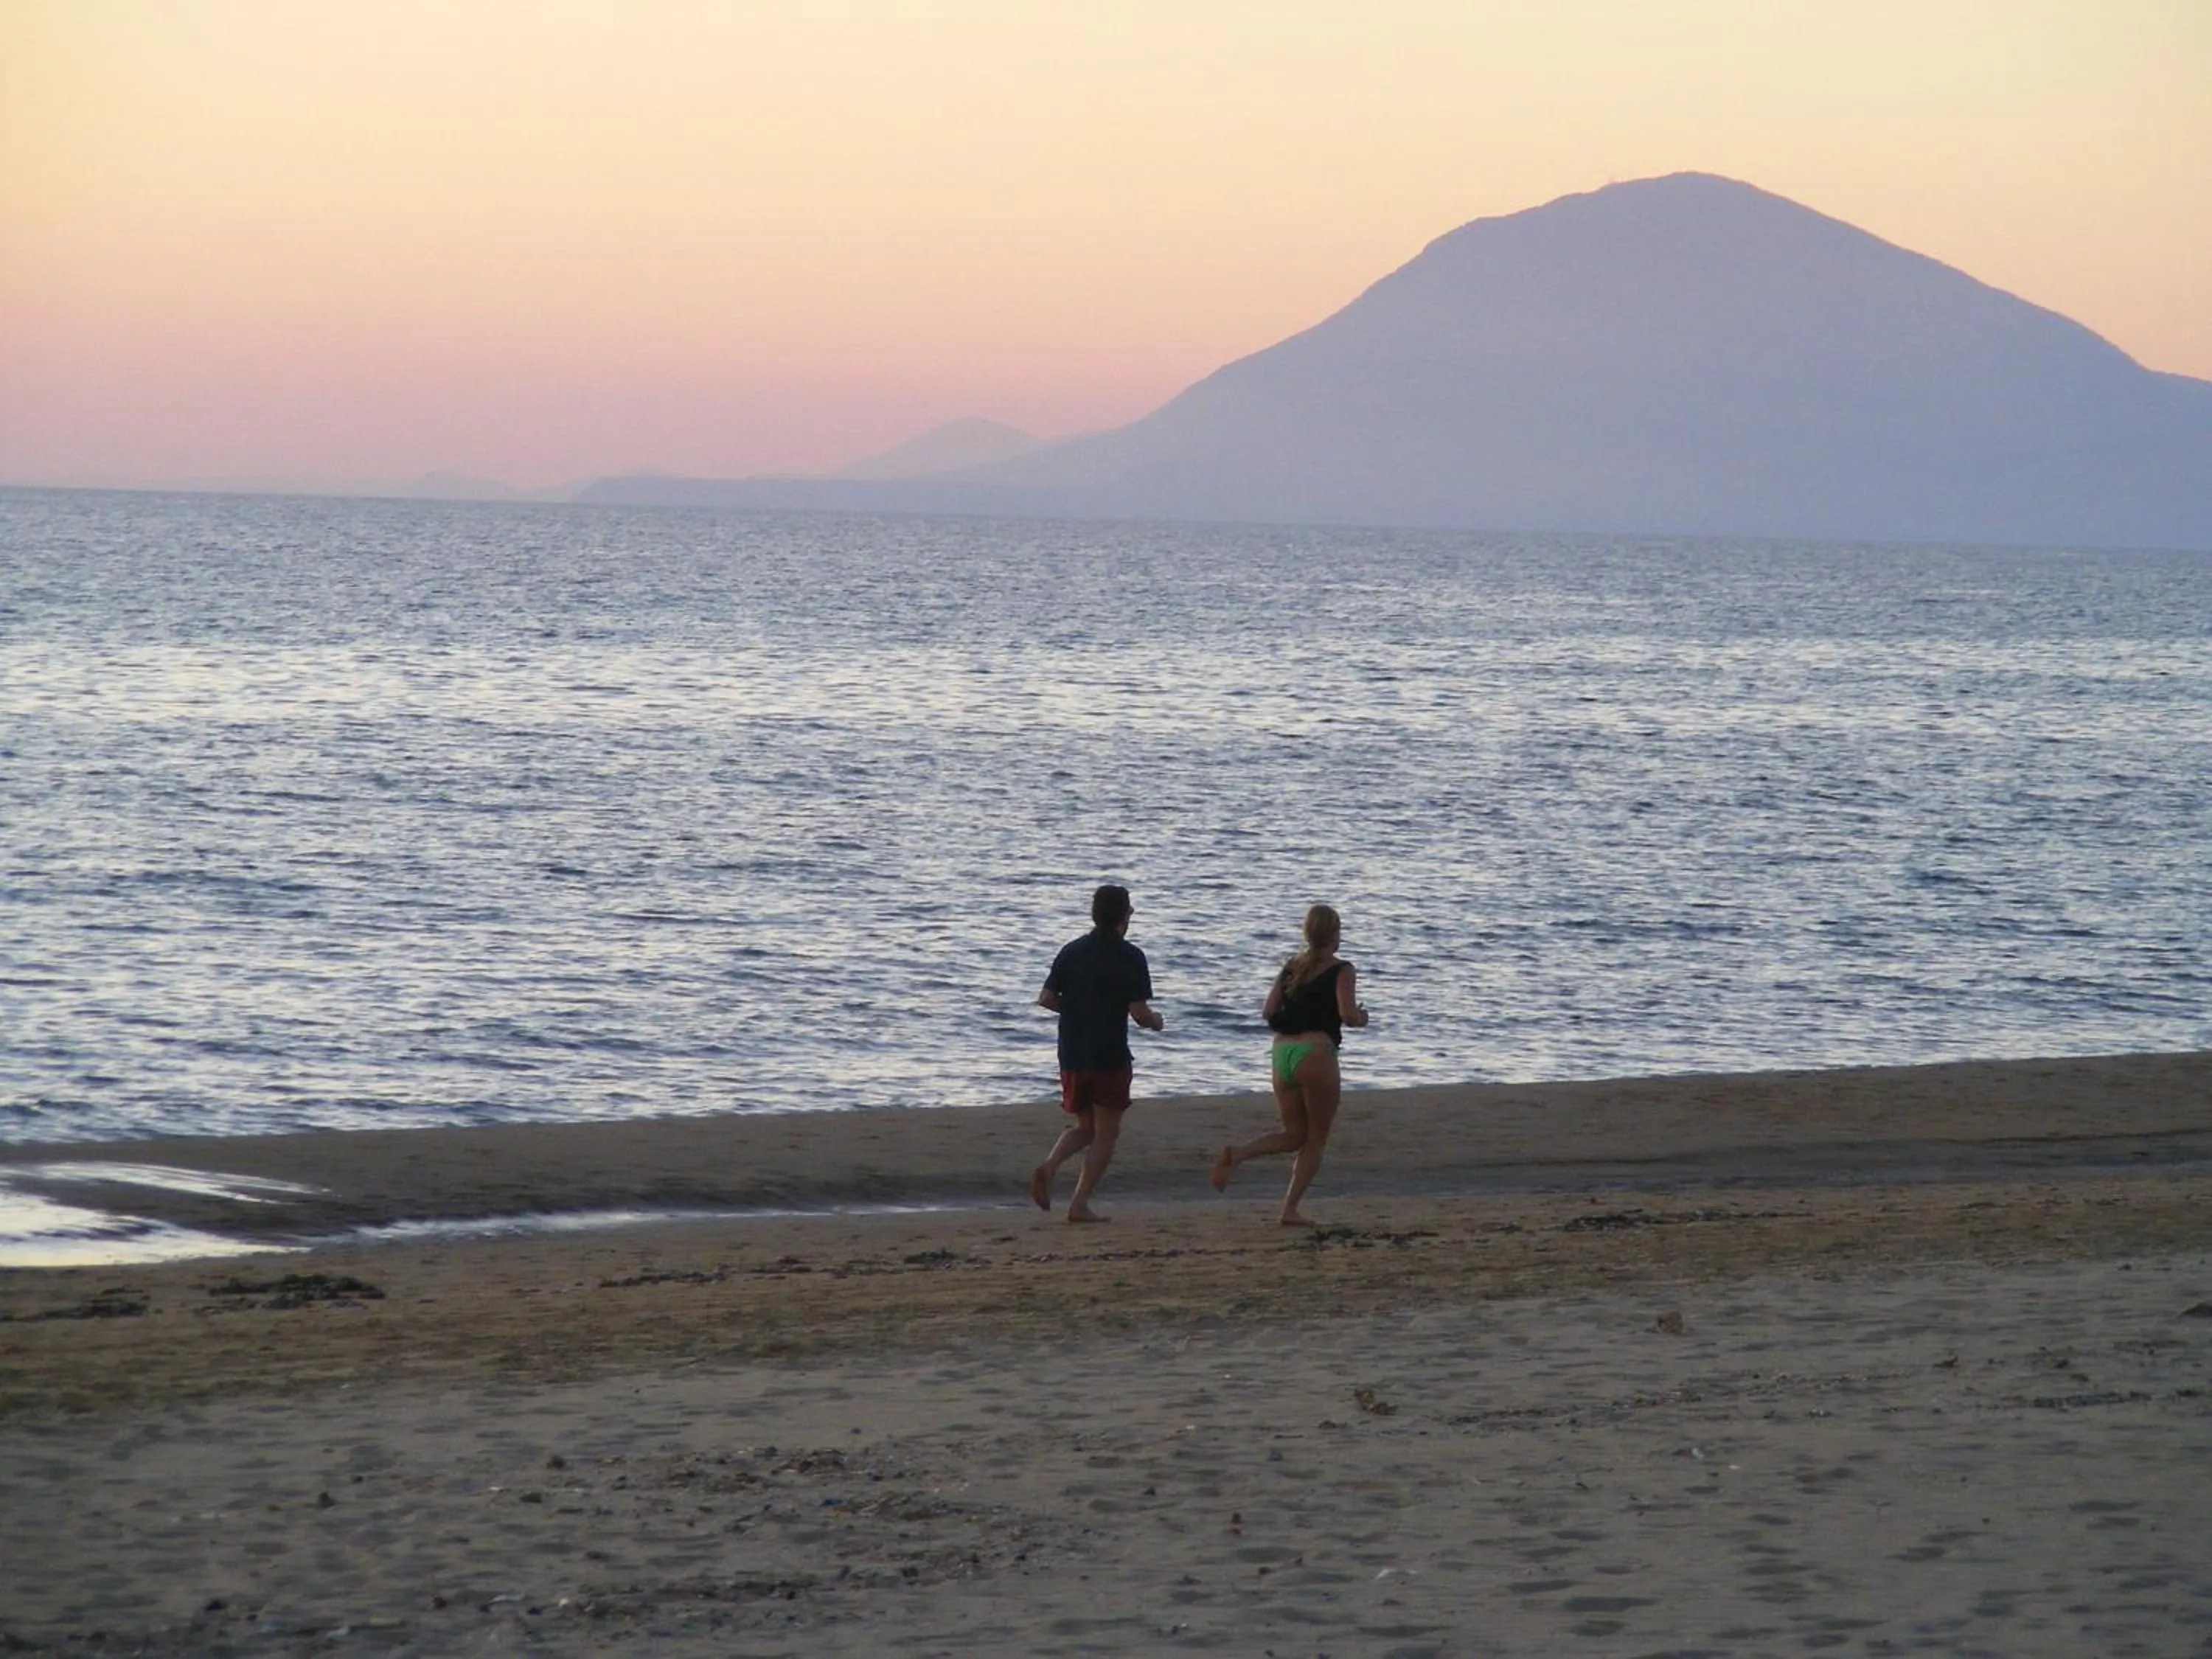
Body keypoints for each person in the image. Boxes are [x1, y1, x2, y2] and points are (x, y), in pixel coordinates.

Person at [1211, 902, 1367, 1226]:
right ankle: (1290, 1209)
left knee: (1294, 1135)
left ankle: (1238, 1154)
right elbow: (1347, 1015)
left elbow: (1268, 1011)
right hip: (1315, 1053)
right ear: (1335, 935)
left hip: (1282, 1053)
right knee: (1315, 1139)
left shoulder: (1292, 966)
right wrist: (1362, 1017)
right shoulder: (1342, 969)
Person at [1030, 883, 1164, 1222]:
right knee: (1106, 1134)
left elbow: (1046, 998)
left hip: (1072, 1053)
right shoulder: (1130, 956)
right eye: (1129, 911)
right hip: (1109, 1055)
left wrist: (1078, 1009)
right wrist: (1156, 1022)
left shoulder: (1072, 951)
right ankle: (1079, 1204)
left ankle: (1050, 1165)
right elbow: (1140, 1014)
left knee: (1086, 1127)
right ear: (1123, 916)